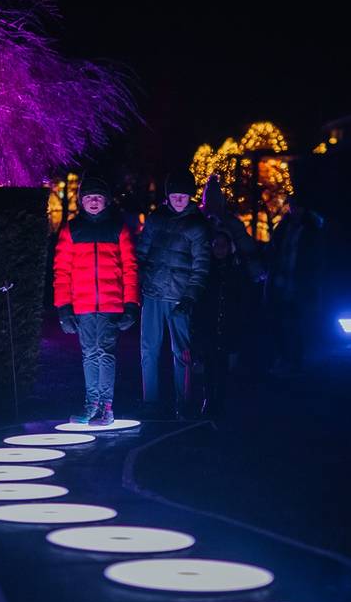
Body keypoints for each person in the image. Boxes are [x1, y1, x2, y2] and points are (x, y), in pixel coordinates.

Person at [52, 176, 140, 424]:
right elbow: (62, 271)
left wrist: (131, 304)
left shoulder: (118, 229)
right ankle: (91, 404)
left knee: (106, 353)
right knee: (89, 353)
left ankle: (107, 407)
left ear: (106, 201)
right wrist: (64, 308)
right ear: (81, 201)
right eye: (88, 197)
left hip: (112, 305)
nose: (93, 201)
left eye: (98, 197)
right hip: (82, 305)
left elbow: (130, 268)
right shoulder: (72, 230)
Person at [135, 171, 211, 419]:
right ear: (168, 196)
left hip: (179, 298)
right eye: (175, 195)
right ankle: (150, 401)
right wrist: (139, 282)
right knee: (148, 349)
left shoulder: (197, 226)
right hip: (153, 294)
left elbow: (201, 266)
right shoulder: (156, 219)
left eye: (183, 195)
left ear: (190, 196)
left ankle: (184, 402)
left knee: (182, 353)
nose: (179, 200)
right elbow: (141, 253)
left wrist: (190, 297)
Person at [197, 175, 265, 416]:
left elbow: (245, 246)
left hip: (227, 283)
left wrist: (256, 273)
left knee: (223, 350)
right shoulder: (200, 220)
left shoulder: (229, 224)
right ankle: (208, 394)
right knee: (207, 348)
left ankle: (220, 396)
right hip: (206, 278)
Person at [265, 203, 325, 375]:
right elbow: (275, 249)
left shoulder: (309, 230)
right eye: (293, 206)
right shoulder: (285, 227)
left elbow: (314, 259)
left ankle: (293, 359)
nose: (295, 210)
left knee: (294, 323)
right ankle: (286, 358)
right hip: (282, 280)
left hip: (296, 282)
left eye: (298, 207)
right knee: (281, 321)